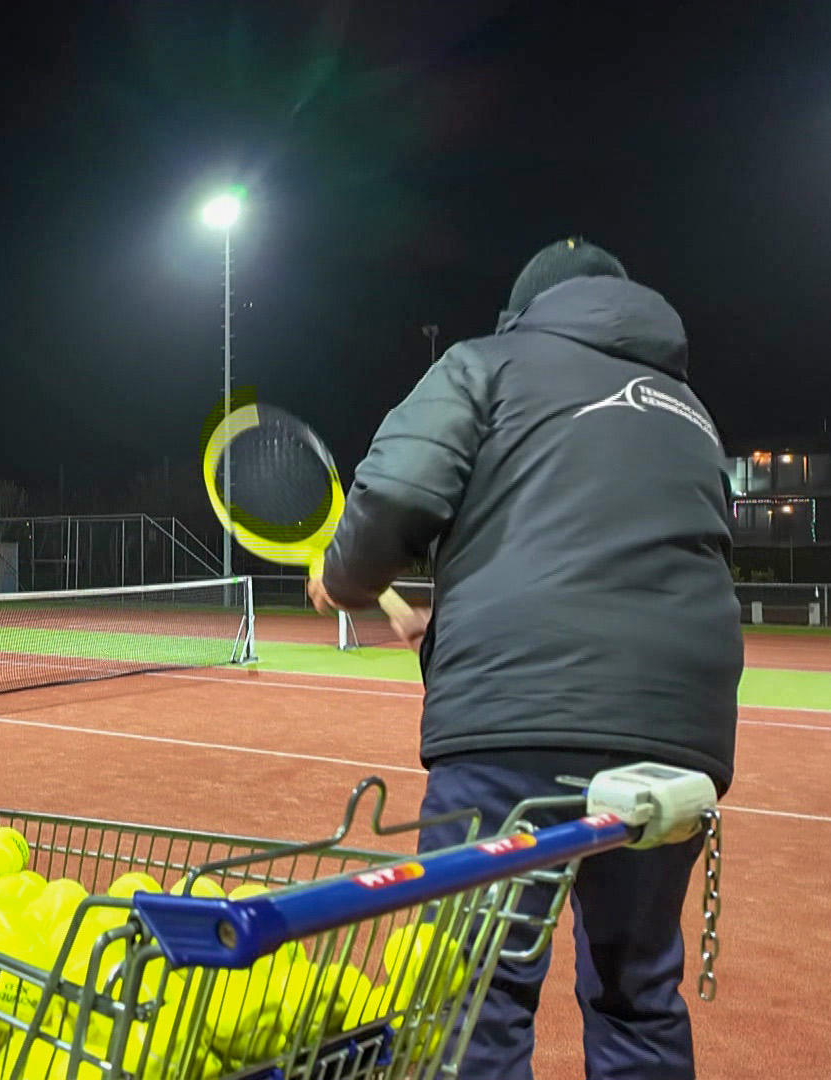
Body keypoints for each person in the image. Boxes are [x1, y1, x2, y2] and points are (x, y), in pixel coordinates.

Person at [307, 238, 741, 1079]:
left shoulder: (487, 364)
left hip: (515, 722)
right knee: (638, 993)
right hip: (678, 737)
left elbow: (396, 492)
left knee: (474, 988)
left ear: (526, 310)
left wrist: (342, 575)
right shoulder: (691, 412)